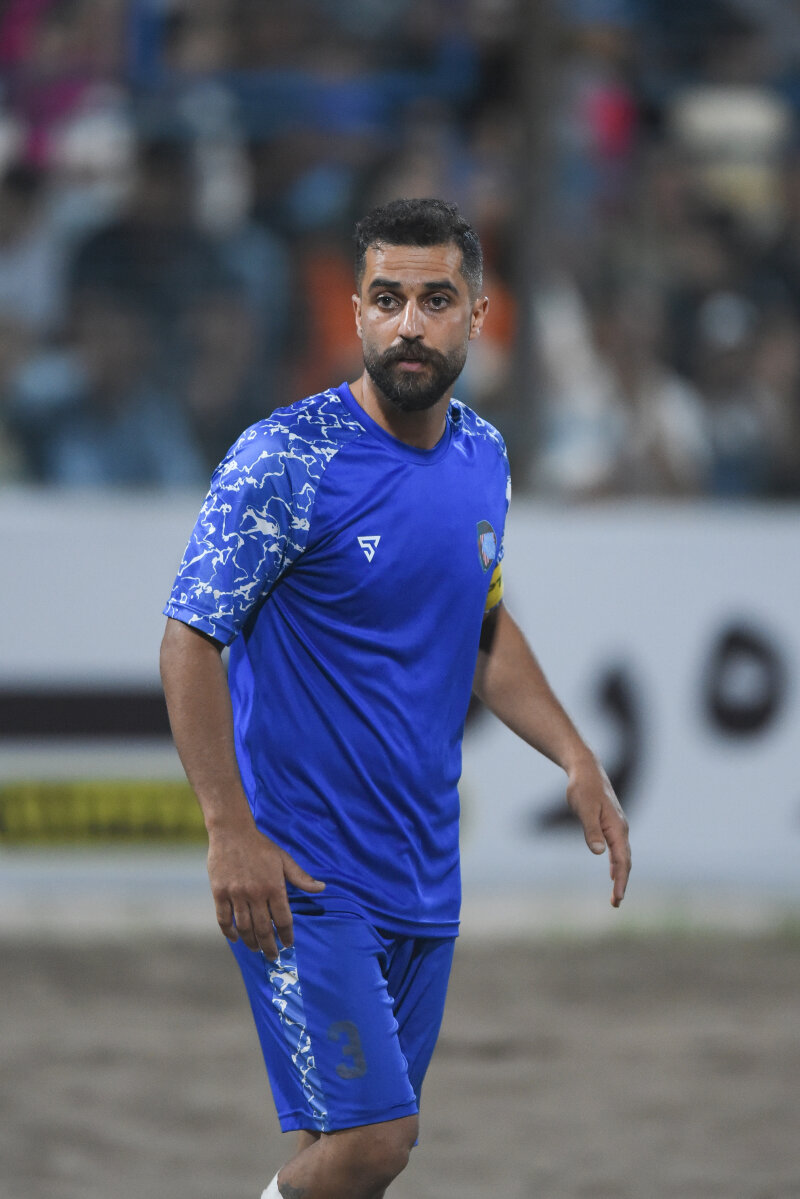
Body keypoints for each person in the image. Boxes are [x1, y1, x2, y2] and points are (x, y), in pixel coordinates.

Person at [159, 197, 631, 1199]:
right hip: (303, 872)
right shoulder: (286, 459)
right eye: (386, 299)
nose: (409, 324)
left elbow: (481, 627)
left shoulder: (483, 458)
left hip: (423, 875)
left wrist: (574, 754)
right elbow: (190, 637)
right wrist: (228, 829)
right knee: (376, 1138)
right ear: (356, 311)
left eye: (435, 299)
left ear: (478, 313)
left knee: (355, 1157)